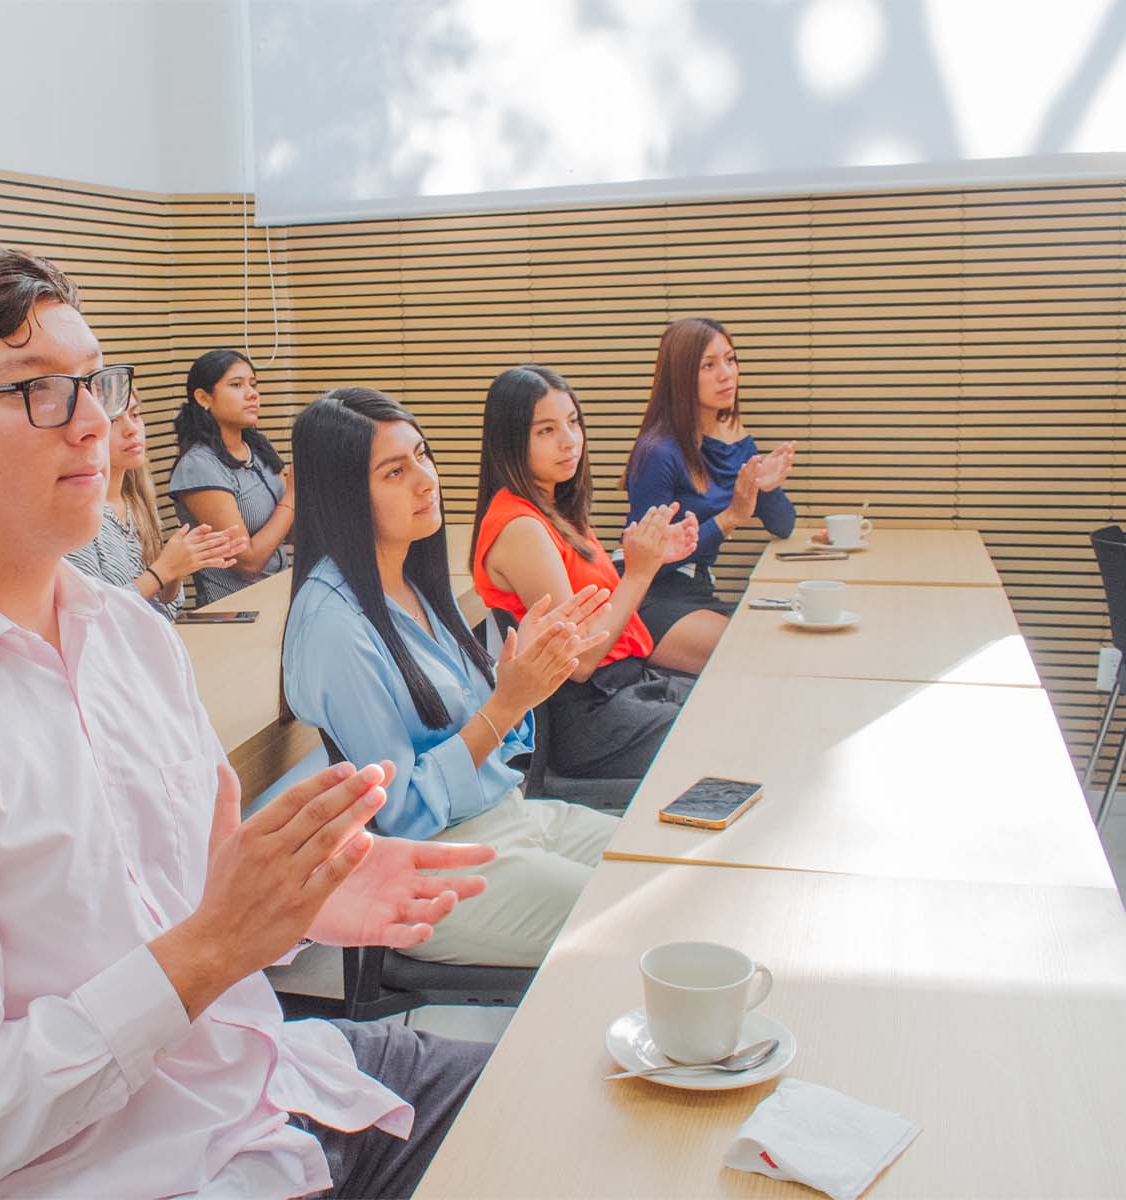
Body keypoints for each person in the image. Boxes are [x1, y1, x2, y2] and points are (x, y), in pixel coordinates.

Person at [0, 244, 501, 1199]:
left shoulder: (131, 635)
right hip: (140, 1171)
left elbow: (177, 904)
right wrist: (216, 944)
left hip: (278, 1082)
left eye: (95, 384)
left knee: (587, 1097)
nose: (95, 423)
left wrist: (286, 905)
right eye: (38, 393)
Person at [281, 386, 620, 969]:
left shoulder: (411, 583)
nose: (424, 479)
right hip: (431, 863)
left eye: (422, 455)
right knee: (635, 923)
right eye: (394, 471)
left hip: (508, 816)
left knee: (663, 867)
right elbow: (401, 813)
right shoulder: (333, 626)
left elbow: (485, 737)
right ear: (342, 497)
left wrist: (521, 681)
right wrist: (508, 703)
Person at [471, 365, 700, 779]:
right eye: (546, 431)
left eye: (573, 422)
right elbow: (579, 661)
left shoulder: (555, 508)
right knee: (719, 733)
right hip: (591, 715)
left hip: (626, 687)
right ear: (510, 440)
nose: (569, 441)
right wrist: (638, 573)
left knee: (736, 704)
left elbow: (596, 602)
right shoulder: (520, 527)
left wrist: (645, 558)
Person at [622, 318, 797, 671]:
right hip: (650, 598)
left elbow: (784, 526)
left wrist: (769, 487)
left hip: (697, 590)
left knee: (783, 645)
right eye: (709, 365)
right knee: (755, 658)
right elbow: (646, 561)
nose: (727, 374)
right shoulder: (658, 451)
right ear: (682, 376)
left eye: (731, 360)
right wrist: (730, 517)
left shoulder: (732, 438)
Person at [65, 386, 247, 619]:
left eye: (135, 415)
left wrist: (180, 565)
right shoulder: (76, 516)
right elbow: (95, 618)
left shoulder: (136, 500)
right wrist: (164, 569)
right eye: (112, 421)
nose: (132, 430)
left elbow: (165, 604)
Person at [168, 349, 293, 605]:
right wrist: (293, 496)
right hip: (235, 613)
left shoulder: (256, 448)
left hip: (279, 597)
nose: (252, 394)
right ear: (204, 398)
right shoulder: (198, 467)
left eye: (254, 384)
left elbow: (285, 530)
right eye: (236, 385)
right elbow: (247, 562)